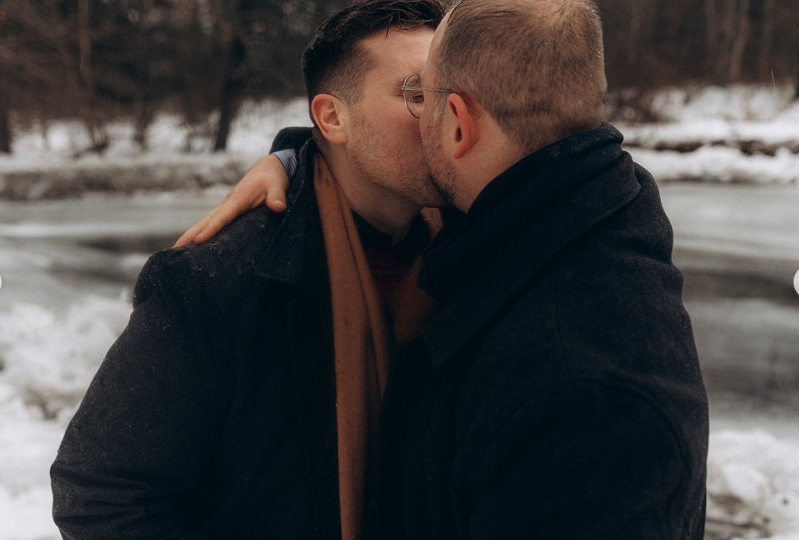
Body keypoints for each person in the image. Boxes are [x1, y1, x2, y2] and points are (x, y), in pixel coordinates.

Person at [180, 0, 710, 538]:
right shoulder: (563, 218)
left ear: (457, 125)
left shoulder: (579, 395)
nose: (417, 119)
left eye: (422, 96)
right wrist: (299, 159)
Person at [50, 2, 447, 539]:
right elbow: (103, 493)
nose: (447, 115)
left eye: (452, 92)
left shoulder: (477, 246)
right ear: (332, 118)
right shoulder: (218, 282)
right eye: (416, 95)